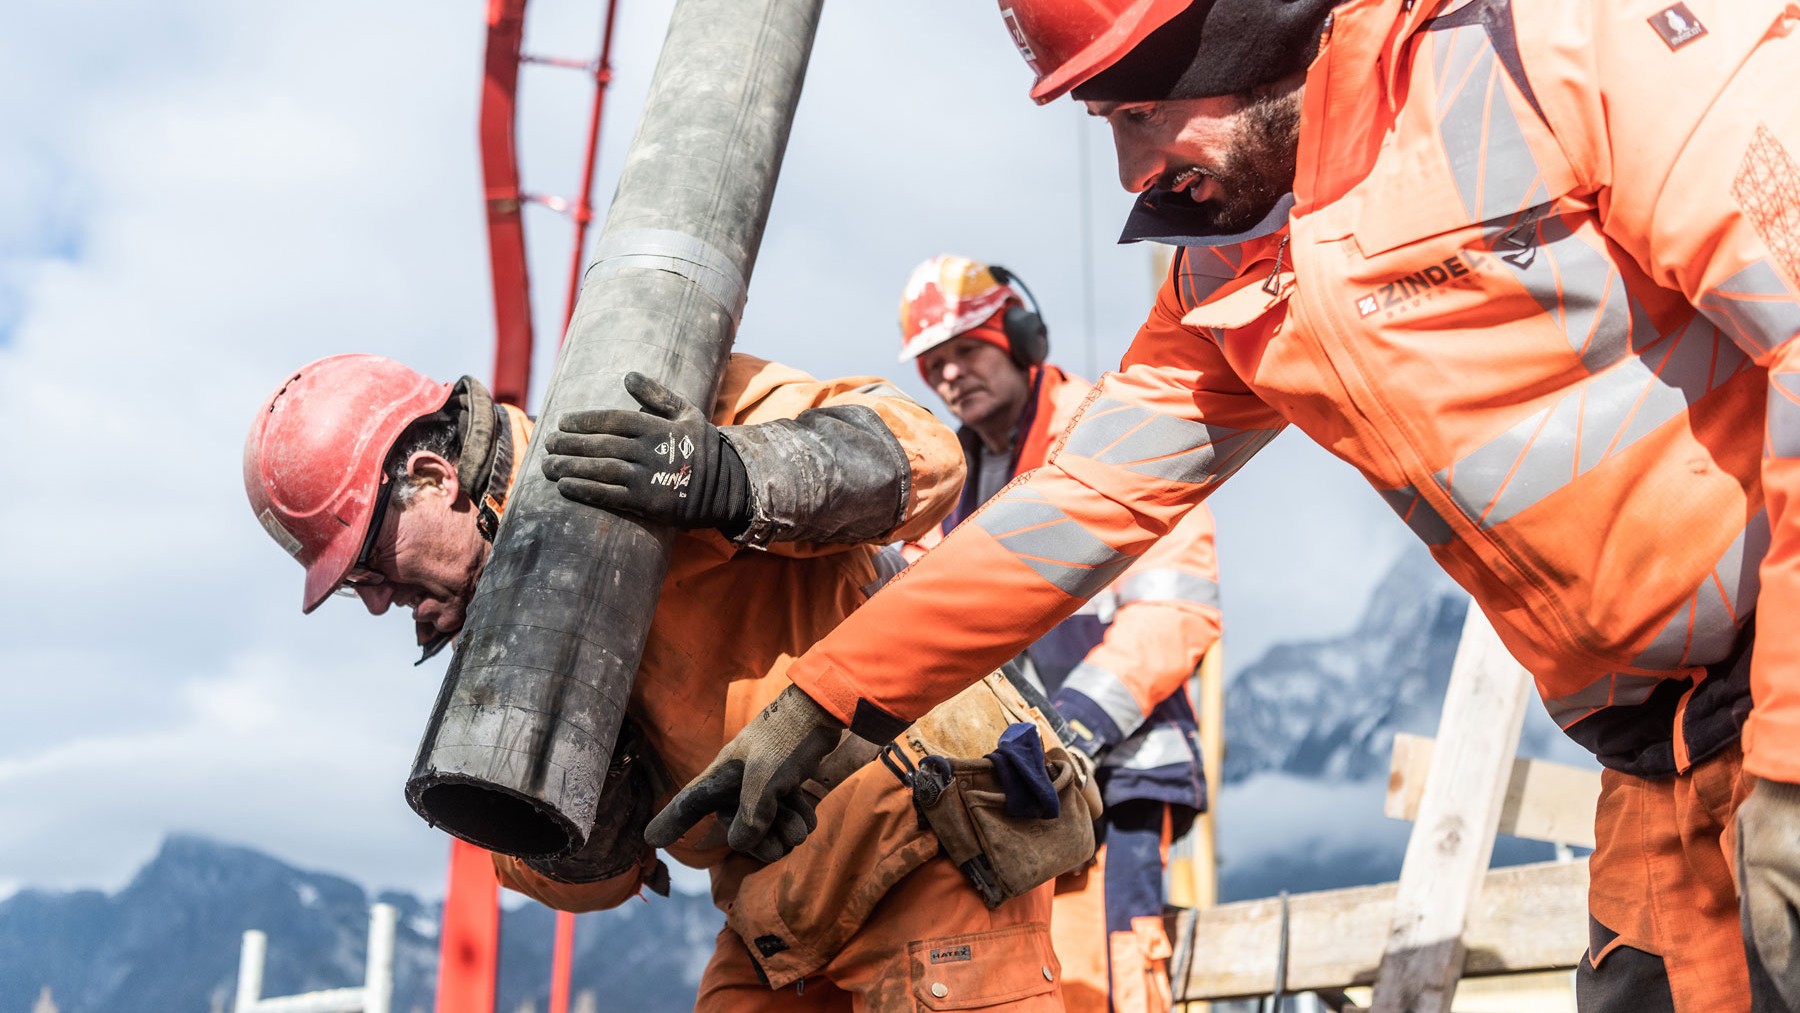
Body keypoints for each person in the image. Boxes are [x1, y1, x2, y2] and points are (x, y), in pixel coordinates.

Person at [648, 2, 1800, 1010]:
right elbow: (1079, 506)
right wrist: (828, 701)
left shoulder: (1554, 50)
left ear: (1242, 23)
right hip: (1659, 780)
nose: (1129, 168)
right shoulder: (1239, 269)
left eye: (1135, 111)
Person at [243, 352, 1078, 1011]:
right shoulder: (500, 631)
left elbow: (923, 453)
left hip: (929, 837)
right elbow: (597, 879)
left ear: (432, 478)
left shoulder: (654, 402)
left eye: (370, 565)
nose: (382, 602)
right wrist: (565, 788)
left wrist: (730, 473)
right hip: (784, 910)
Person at [896, 254, 1222, 1013]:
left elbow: (1177, 608)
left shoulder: (1113, 438)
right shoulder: (946, 488)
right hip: (1016, 796)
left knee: (1111, 979)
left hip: (1118, 771)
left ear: (1019, 335)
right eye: (933, 363)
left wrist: (1072, 729)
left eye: (966, 350)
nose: (949, 376)